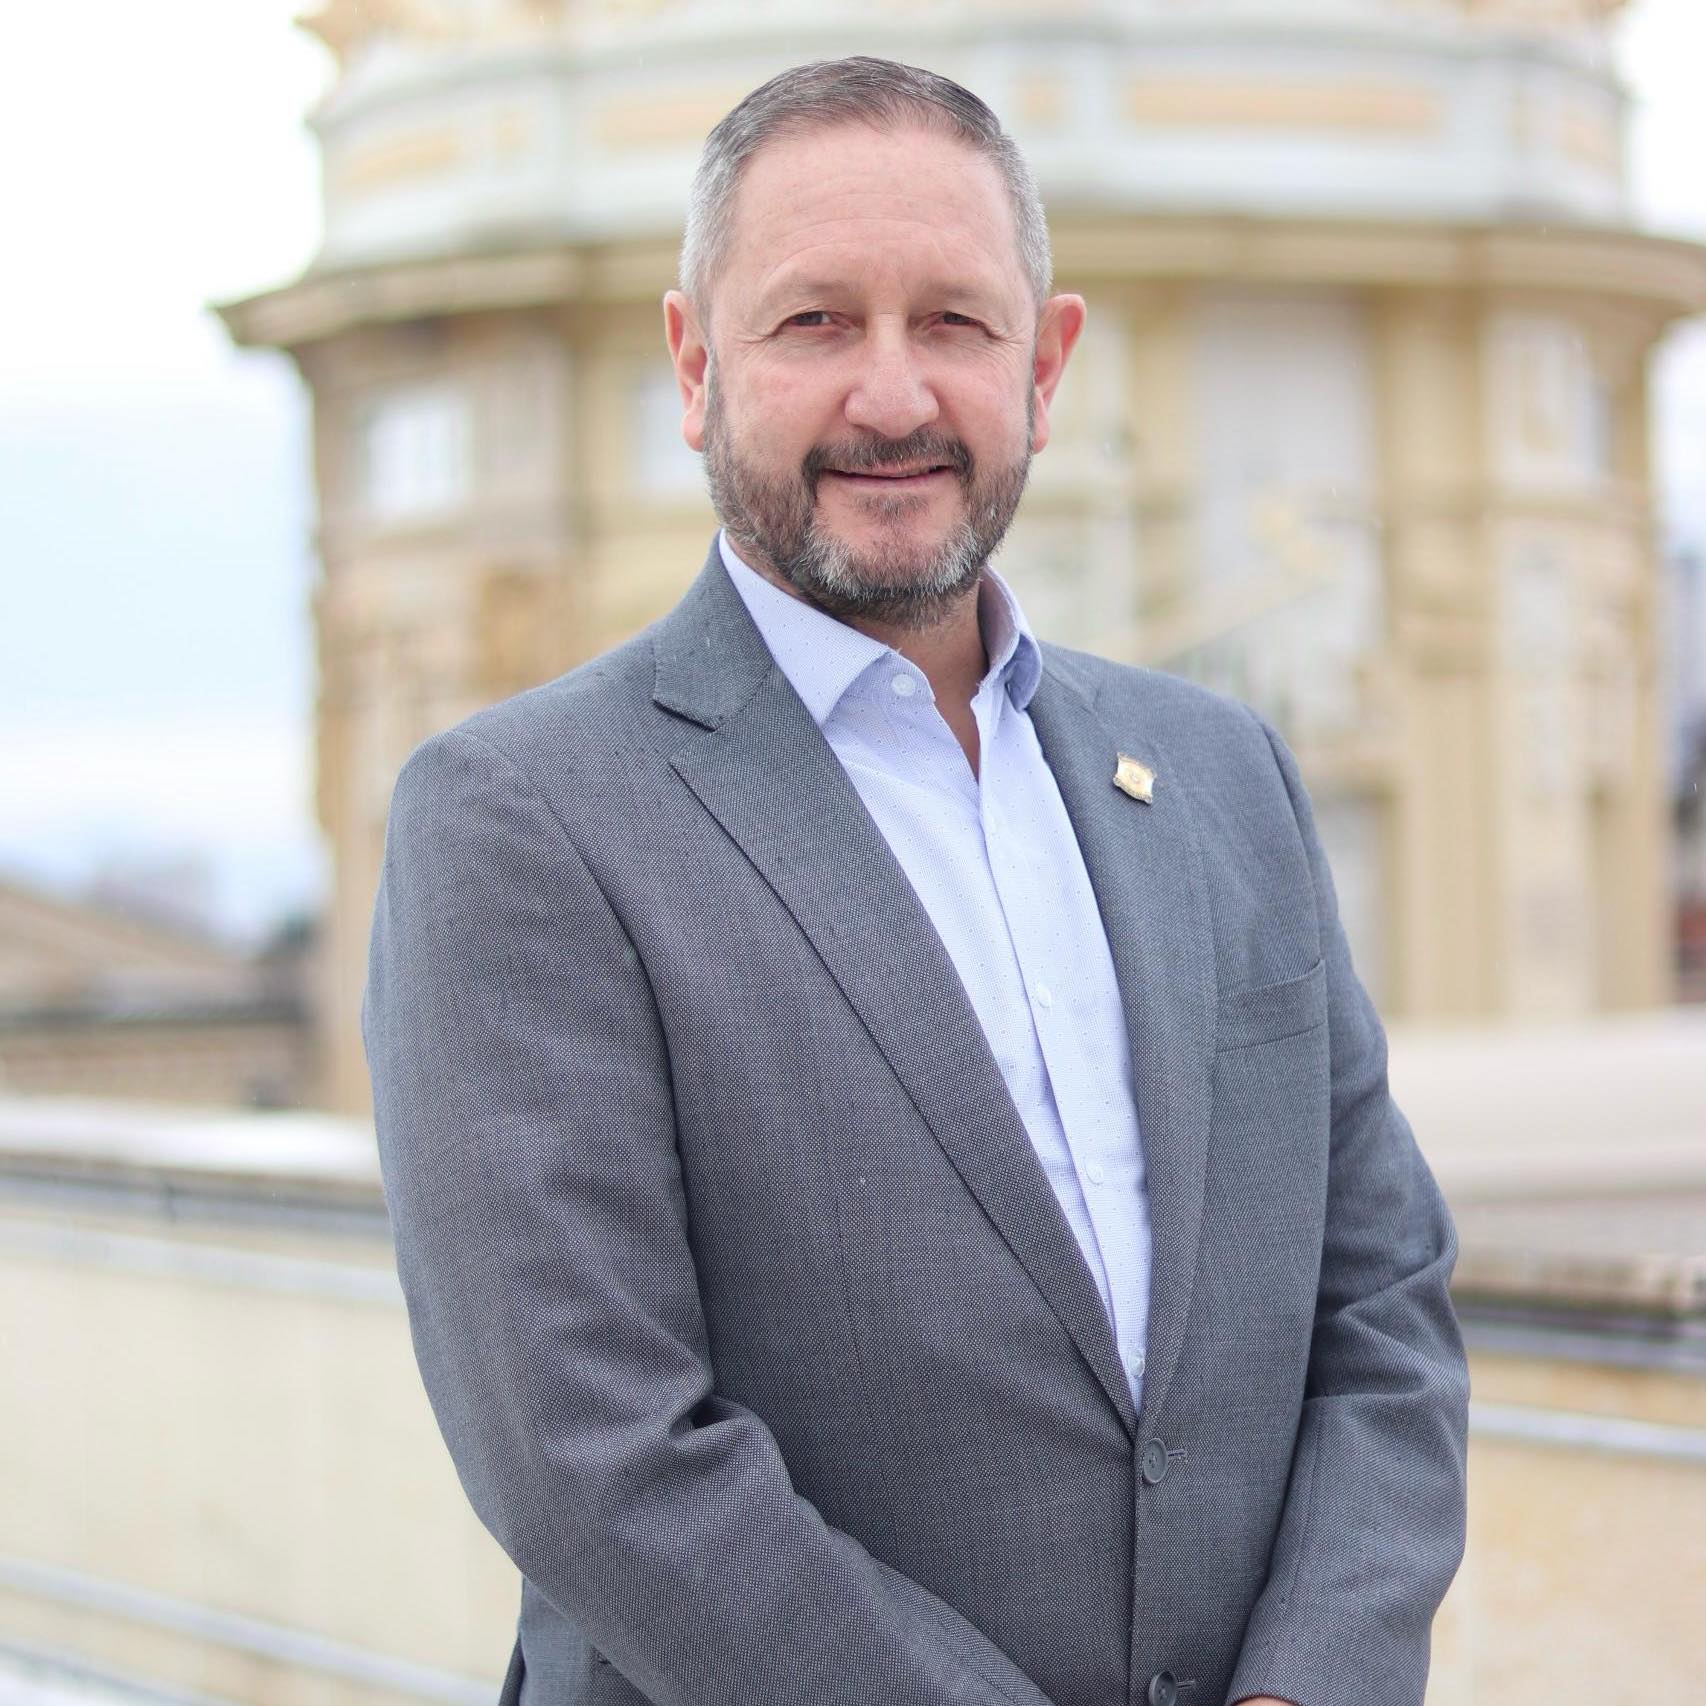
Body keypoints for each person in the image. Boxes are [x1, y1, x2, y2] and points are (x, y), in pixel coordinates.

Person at [363, 56, 1469, 1706]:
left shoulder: (1218, 771)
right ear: (694, 366)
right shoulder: (520, 817)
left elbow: (1377, 1305)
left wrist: (1302, 1685)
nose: (892, 399)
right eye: (813, 324)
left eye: (953, 322)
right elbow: (593, 1453)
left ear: (1045, 365)